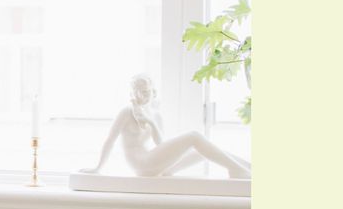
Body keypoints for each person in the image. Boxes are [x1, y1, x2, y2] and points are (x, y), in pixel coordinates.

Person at [82, 73, 251, 178]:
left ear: (153, 91)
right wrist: (97, 167)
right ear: (133, 93)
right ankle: (237, 170)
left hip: (155, 164)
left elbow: (160, 144)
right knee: (194, 136)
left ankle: (246, 168)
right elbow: (109, 140)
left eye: (146, 91)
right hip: (142, 165)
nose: (143, 95)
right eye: (139, 92)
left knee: (203, 150)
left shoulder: (154, 114)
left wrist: (151, 123)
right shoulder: (127, 112)